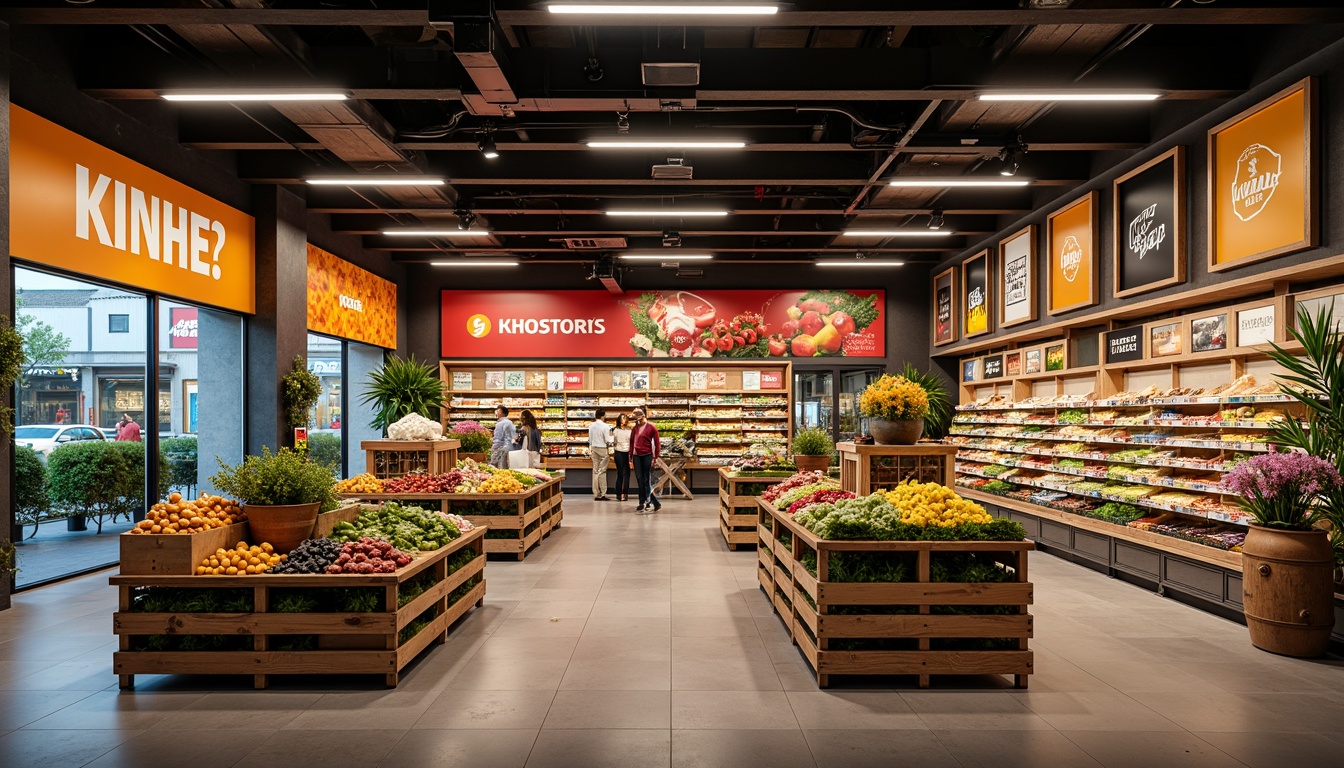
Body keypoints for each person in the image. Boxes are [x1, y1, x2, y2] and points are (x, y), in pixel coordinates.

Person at [630, 407, 662, 514]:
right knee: (639, 479)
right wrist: (630, 456)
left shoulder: (651, 428)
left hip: (647, 455)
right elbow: (631, 442)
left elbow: (657, 443)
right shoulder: (635, 428)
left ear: (643, 415)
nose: (637, 420)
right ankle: (644, 501)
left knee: (646, 480)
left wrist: (655, 457)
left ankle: (648, 502)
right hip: (636, 456)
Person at [588, 408, 612, 500]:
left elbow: (590, 439)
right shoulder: (606, 427)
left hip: (594, 448)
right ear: (603, 416)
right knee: (602, 471)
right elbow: (608, 440)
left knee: (595, 470)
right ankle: (603, 493)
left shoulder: (591, 426)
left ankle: (596, 493)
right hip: (603, 449)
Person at [612, 413, 633, 502]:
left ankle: (625, 492)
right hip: (618, 451)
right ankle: (618, 493)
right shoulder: (615, 430)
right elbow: (612, 441)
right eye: (622, 418)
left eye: (625, 418)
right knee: (620, 472)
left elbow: (632, 442)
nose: (624, 420)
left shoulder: (630, 431)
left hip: (627, 452)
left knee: (627, 473)